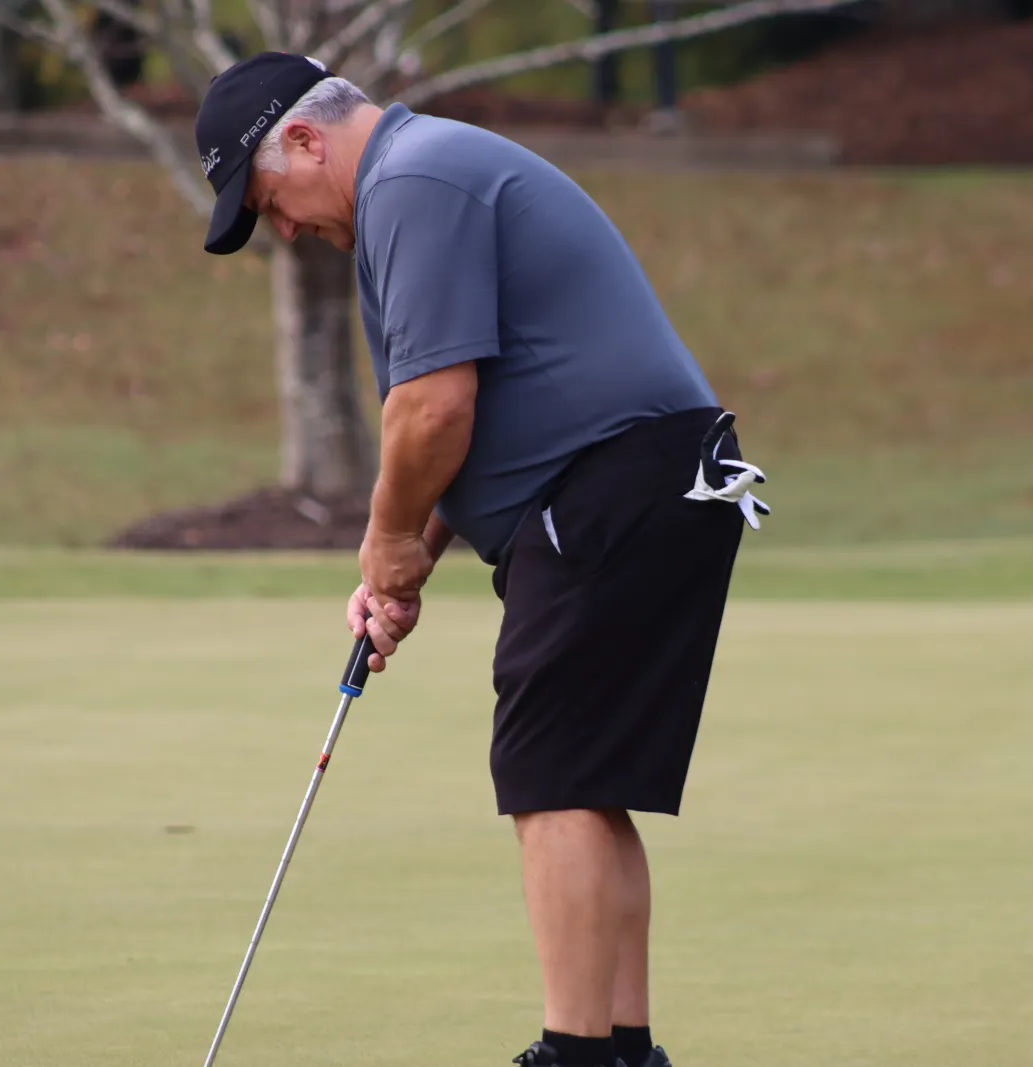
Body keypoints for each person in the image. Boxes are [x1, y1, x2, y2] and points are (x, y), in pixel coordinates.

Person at [195, 52, 768, 1067]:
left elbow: (432, 407)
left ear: (303, 139)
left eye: (268, 201)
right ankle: (623, 1049)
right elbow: (481, 411)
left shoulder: (413, 182)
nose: (283, 229)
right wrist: (413, 547)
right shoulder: (419, 180)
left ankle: (578, 1052)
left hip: (614, 484)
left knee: (549, 771)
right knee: (582, 778)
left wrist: (383, 545)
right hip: (647, 482)